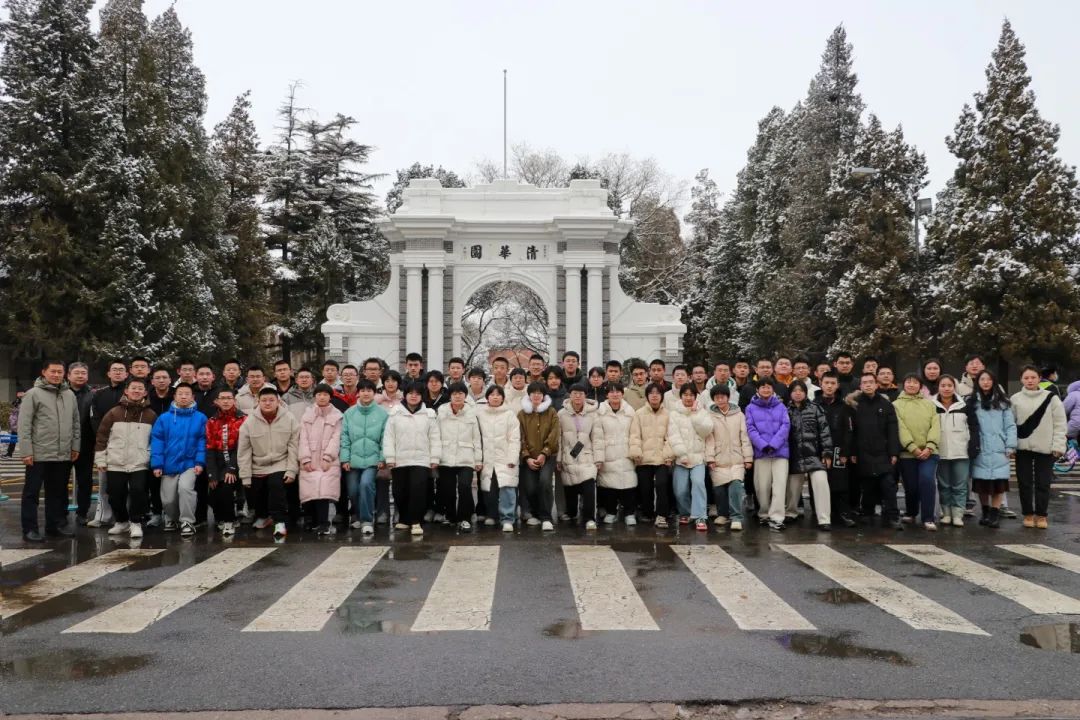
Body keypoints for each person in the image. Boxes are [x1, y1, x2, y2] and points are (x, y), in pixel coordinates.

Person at [18, 360, 80, 542]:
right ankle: (29, 529)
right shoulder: (33, 394)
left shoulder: (69, 395)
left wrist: (75, 446)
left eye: (60, 371)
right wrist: (26, 451)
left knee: (57, 492)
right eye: (52, 371)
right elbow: (24, 425)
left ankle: (54, 526)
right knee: (32, 493)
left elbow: (75, 423)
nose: (56, 375)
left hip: (62, 454)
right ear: (44, 372)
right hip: (38, 453)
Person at [94, 378, 156, 539]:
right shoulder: (114, 413)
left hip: (140, 462)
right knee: (115, 493)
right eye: (133, 388)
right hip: (116, 461)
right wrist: (100, 459)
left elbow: (156, 439)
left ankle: (135, 522)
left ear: (145, 392)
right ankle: (121, 521)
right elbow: (101, 436)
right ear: (126, 391)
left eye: (140, 388)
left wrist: (150, 457)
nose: (136, 391)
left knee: (138, 492)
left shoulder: (150, 415)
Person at [237, 387, 300, 538]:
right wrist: (245, 475)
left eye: (271, 400)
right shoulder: (249, 422)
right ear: (258, 402)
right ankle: (263, 516)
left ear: (278, 401)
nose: (267, 403)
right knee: (255, 488)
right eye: (264, 400)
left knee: (276, 485)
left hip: (281, 461)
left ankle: (279, 522)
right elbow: (244, 451)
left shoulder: (289, 418)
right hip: (257, 464)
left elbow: (294, 447)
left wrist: (292, 470)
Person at [1012, 365, 1067, 529]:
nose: (1030, 381)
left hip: (1046, 447)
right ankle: (1028, 514)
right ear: (1021, 379)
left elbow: (1060, 423)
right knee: (1024, 482)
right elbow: (1010, 425)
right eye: (1026, 378)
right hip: (1022, 447)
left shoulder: (1052, 398)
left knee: (1043, 482)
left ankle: (1042, 515)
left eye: (1033, 377)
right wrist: (1011, 446)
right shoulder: (1015, 399)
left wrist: (1058, 445)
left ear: (1039, 379)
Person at [150, 383, 208, 537]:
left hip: (190, 463)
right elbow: (157, 441)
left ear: (192, 397)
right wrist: (157, 464)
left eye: (187, 394)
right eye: (180, 393)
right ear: (174, 396)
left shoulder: (200, 418)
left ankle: (187, 521)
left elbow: (202, 441)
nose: (183, 397)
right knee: (168, 499)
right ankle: (171, 518)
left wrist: (199, 462)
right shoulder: (164, 418)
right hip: (169, 464)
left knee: (185, 489)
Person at [847, 373, 902, 530]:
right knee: (867, 485)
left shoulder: (885, 404)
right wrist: (852, 452)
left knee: (888, 484)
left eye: (871, 382)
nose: (868, 385)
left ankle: (893, 516)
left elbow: (892, 430)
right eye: (865, 382)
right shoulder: (855, 405)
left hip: (882, 452)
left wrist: (893, 452)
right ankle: (867, 513)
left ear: (876, 384)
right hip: (862, 451)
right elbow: (851, 432)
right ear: (861, 386)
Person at [384, 381, 439, 536]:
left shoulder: (428, 414)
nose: (414, 396)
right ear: (405, 395)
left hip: (421, 459)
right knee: (399, 491)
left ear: (422, 396)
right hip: (400, 459)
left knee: (418, 490)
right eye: (411, 393)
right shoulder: (395, 413)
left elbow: (434, 437)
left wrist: (434, 457)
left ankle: (416, 521)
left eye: (417, 394)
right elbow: (389, 437)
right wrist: (390, 457)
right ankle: (405, 519)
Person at [340, 378, 388, 535]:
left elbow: (385, 438)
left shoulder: (382, 413)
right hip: (353, 460)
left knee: (366, 485)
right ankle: (359, 517)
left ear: (374, 393)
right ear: (358, 393)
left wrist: (382, 458)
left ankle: (367, 520)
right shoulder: (349, 413)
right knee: (353, 490)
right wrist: (345, 458)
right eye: (362, 390)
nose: (366, 393)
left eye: (369, 390)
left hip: (373, 460)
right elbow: (344, 437)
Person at [894, 374, 941, 531]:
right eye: (908, 382)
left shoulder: (930, 405)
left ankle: (928, 517)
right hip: (907, 453)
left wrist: (929, 447)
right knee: (911, 485)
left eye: (915, 382)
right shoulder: (896, 405)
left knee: (927, 481)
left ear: (921, 386)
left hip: (929, 453)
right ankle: (911, 512)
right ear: (904, 385)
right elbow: (900, 428)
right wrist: (912, 447)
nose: (911, 385)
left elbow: (935, 426)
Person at [703, 384, 752, 531]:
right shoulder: (709, 416)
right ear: (713, 399)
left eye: (722, 396)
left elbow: (745, 437)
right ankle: (723, 514)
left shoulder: (739, 415)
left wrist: (748, 457)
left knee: (736, 486)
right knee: (719, 489)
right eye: (717, 397)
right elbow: (708, 439)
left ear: (728, 397)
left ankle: (736, 517)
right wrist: (710, 458)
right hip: (718, 458)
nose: (720, 399)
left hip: (737, 458)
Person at [971, 370, 1016, 528]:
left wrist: (1010, 445)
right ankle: (985, 512)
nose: (985, 382)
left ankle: (995, 514)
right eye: (982, 379)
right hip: (980, 447)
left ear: (994, 382)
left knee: (998, 484)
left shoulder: (1003, 403)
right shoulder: (972, 402)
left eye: (989, 379)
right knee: (981, 483)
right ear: (977, 382)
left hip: (999, 447)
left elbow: (1010, 426)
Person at [786, 380, 833, 530]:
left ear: (806, 392)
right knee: (793, 488)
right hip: (795, 455)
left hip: (814, 454)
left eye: (801, 390)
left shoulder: (815, 409)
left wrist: (826, 453)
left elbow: (825, 432)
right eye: (795, 390)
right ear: (791, 393)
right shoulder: (786, 410)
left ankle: (824, 518)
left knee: (821, 483)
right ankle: (791, 512)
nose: (798, 393)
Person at [933, 375, 979, 528]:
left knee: (960, 485)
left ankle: (958, 514)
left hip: (961, 451)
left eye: (949, 385)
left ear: (954, 387)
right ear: (938, 387)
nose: (946, 388)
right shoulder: (931, 405)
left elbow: (973, 427)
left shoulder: (964, 405)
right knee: (944, 485)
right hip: (940, 452)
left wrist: (973, 445)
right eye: (943, 385)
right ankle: (946, 513)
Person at [745, 378, 790, 532]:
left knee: (779, 485)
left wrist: (774, 444)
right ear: (757, 390)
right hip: (761, 452)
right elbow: (750, 429)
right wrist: (763, 445)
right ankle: (763, 513)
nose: (765, 389)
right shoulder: (750, 408)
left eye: (769, 387)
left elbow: (785, 426)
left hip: (780, 452)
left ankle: (777, 517)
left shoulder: (781, 406)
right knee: (761, 486)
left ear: (773, 389)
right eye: (762, 387)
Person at [435, 382, 482, 532]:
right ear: (450, 396)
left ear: (465, 396)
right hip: (445, 456)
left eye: (460, 393)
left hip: (466, 457)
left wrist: (478, 459)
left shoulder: (472, 413)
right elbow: (435, 436)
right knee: (447, 488)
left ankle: (465, 518)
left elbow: (477, 438)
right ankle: (450, 516)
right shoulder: (441, 412)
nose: (457, 396)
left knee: (464, 486)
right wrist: (435, 457)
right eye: (454, 394)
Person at [87, 359, 128, 528]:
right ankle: (103, 516)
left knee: (128, 484)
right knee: (104, 483)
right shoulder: (99, 394)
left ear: (127, 374)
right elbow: (94, 418)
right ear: (109, 373)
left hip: (129, 444)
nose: (118, 372)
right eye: (114, 369)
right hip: (106, 444)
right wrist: (105, 437)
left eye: (121, 370)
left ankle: (127, 516)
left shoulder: (133, 391)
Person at [299, 384, 343, 536]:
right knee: (309, 491)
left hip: (328, 461)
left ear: (330, 397)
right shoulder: (307, 415)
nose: (322, 397)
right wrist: (304, 458)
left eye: (325, 394)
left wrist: (328, 457)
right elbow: (302, 438)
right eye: (319, 394)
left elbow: (336, 438)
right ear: (315, 396)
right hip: (310, 459)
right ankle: (311, 520)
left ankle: (324, 523)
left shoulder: (337, 416)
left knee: (323, 491)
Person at [666, 384, 712, 531]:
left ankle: (700, 516)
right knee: (680, 489)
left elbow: (707, 431)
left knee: (698, 483)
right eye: (685, 395)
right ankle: (685, 512)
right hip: (681, 458)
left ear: (695, 396)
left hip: (698, 457)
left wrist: (695, 415)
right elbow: (673, 435)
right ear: (681, 396)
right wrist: (682, 454)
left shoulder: (702, 412)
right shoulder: (674, 414)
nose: (688, 397)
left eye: (691, 395)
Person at [628, 383, 675, 527]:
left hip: (662, 458)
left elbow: (671, 437)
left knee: (662, 485)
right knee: (645, 487)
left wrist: (668, 455)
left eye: (657, 393)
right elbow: (635, 435)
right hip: (644, 458)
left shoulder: (668, 414)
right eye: (651, 393)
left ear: (662, 396)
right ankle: (647, 513)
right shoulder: (639, 414)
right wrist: (636, 453)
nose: (654, 395)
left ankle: (662, 515)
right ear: (647, 396)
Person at [558, 384, 602, 530]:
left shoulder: (593, 414)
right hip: (568, 456)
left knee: (589, 487)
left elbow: (597, 438)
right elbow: (558, 439)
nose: (578, 396)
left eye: (581, 393)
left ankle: (589, 518)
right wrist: (558, 459)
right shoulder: (561, 414)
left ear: (585, 396)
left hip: (587, 456)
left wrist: (599, 459)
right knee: (570, 488)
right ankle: (571, 513)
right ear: (570, 395)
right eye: (575, 393)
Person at [477, 385, 521, 532]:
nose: (495, 397)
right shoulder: (480, 414)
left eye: (498, 394)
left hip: (505, 457)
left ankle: (508, 518)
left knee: (507, 487)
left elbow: (515, 439)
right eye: (492, 394)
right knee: (490, 487)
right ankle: (491, 514)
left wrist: (512, 458)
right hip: (487, 457)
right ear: (487, 397)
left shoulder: (510, 415)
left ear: (503, 397)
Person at [816, 372, 857, 527]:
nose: (829, 386)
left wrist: (846, 452)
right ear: (821, 383)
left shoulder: (845, 407)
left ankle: (843, 513)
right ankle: (822, 513)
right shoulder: (814, 404)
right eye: (826, 382)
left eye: (833, 383)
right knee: (821, 483)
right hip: (819, 451)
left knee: (841, 483)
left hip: (839, 450)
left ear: (837, 385)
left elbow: (849, 431)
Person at [205, 387, 246, 537]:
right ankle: (219, 518)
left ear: (234, 400)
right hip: (217, 461)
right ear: (217, 401)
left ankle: (230, 520)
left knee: (226, 489)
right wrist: (212, 474)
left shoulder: (243, 419)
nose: (226, 401)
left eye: (229, 398)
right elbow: (209, 448)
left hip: (238, 460)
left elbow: (243, 446)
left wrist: (232, 468)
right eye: (223, 398)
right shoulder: (212, 421)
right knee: (214, 490)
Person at [518, 381, 559, 531]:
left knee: (545, 482)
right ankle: (534, 514)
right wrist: (526, 456)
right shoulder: (522, 414)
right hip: (528, 457)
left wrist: (544, 453)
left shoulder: (551, 412)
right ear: (529, 395)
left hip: (548, 456)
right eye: (533, 393)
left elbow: (554, 434)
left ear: (544, 396)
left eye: (540, 393)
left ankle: (546, 517)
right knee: (530, 487)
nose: (536, 395)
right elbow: (519, 437)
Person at [594, 383, 636, 526]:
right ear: (607, 395)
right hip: (608, 453)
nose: (615, 394)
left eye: (618, 391)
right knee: (609, 484)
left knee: (629, 483)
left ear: (622, 394)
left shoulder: (630, 412)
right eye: (611, 392)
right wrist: (598, 457)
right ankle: (611, 511)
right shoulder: (600, 412)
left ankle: (629, 513)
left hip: (626, 452)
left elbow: (635, 433)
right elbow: (597, 437)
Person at [66, 362, 94, 524]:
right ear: (68, 375)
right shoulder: (60, 393)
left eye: (83, 373)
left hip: (86, 445)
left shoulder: (93, 395)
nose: (80, 375)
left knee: (85, 481)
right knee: (60, 481)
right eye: (76, 373)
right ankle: (60, 512)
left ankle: (82, 513)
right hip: (63, 445)